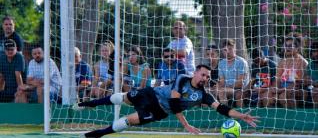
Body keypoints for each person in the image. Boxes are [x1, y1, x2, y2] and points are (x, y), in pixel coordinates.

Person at [73, 64, 258, 138]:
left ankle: (93, 135)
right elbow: (175, 103)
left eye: (208, 77)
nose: (205, 78)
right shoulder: (183, 78)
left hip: (160, 111)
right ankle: (86, 104)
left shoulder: (204, 95)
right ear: (196, 73)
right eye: (203, 75)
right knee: (123, 98)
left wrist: (242, 115)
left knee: (130, 120)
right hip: (152, 95)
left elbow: (223, 109)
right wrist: (186, 126)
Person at [270, 37, 308, 108]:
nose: (287, 48)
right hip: (281, 89)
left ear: (297, 48)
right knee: (267, 96)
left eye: (290, 46)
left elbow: (298, 83)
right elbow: (277, 79)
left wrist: (280, 90)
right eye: (285, 46)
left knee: (283, 96)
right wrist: (275, 88)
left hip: (297, 89)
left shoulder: (302, 62)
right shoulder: (282, 62)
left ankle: (293, 117)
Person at [217, 39, 250, 107]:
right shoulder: (221, 63)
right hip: (228, 89)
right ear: (222, 51)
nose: (228, 52)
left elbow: (240, 84)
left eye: (230, 49)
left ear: (235, 49)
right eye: (225, 50)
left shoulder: (241, 62)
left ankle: (240, 115)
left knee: (224, 92)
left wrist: (225, 87)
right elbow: (222, 81)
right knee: (208, 92)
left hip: (243, 89)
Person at [305, 41, 318, 107]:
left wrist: (313, 83)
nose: (316, 54)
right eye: (314, 51)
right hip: (312, 88)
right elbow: (308, 80)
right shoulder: (310, 65)